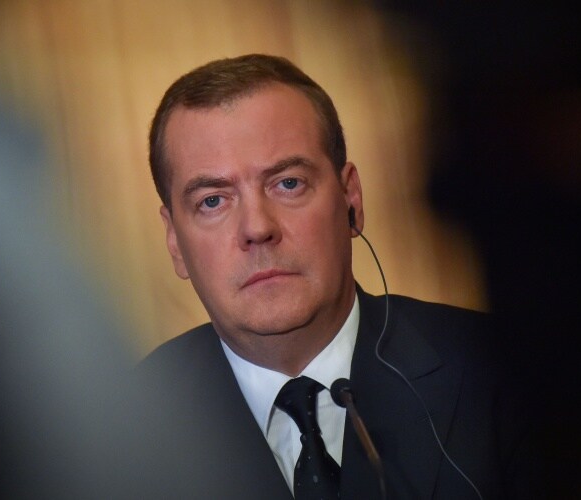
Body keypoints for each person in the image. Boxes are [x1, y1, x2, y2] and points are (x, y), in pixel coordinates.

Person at [139, 54, 534, 499]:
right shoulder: (118, 428)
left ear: (351, 199)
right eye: (212, 201)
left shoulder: (499, 371)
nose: (257, 228)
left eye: (288, 183)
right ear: (174, 241)